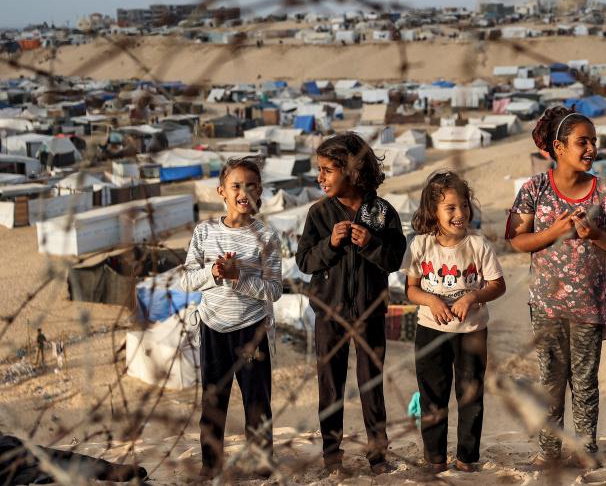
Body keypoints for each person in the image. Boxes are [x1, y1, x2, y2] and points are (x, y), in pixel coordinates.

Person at [506, 106, 606, 467]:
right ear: (559, 148)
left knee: (585, 382)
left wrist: (594, 234)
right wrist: (554, 232)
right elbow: (517, 240)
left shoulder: (604, 191)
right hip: (546, 305)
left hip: (589, 305)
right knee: (550, 382)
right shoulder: (535, 188)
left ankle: (587, 450)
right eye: (582, 142)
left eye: (594, 141)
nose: (591, 148)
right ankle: (549, 452)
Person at [296, 133, 407, 475]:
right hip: (329, 313)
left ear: (352, 170)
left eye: (328, 170)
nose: (321, 177)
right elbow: (304, 261)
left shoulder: (381, 212)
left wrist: (372, 244)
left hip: (369, 311)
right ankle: (332, 454)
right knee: (330, 383)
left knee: (370, 383)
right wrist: (329, 245)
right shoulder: (319, 213)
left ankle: (378, 455)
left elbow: (395, 259)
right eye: (320, 170)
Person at [180, 157, 282, 479]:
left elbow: (275, 290)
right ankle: (211, 465)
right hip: (213, 328)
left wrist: (238, 277)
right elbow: (186, 279)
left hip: (251, 331)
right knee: (213, 400)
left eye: (250, 185)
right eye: (236, 185)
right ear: (221, 191)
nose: (243, 191)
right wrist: (213, 272)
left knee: (256, 400)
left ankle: (261, 462)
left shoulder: (267, 237)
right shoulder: (205, 232)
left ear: (260, 191)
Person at [402, 170, 506, 474]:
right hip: (430, 332)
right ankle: (435, 458)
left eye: (464, 205)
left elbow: (497, 285)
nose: (460, 213)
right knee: (432, 396)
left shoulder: (479, 245)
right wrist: (432, 301)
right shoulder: (420, 246)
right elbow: (411, 289)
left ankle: (467, 459)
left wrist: (471, 298)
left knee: (470, 396)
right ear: (432, 212)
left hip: (471, 332)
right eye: (450, 208)